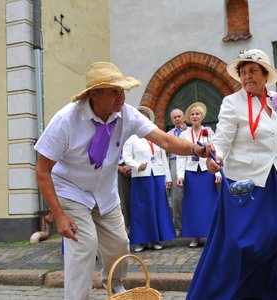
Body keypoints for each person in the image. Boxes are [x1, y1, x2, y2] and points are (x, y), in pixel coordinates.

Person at [34, 62, 211, 300]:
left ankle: (114, 285)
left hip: (105, 191)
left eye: (123, 90)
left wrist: (195, 149)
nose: (122, 96)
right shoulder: (67, 119)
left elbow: (165, 141)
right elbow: (43, 171)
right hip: (71, 190)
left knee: (119, 243)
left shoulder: (127, 113)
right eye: (115, 91)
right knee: (84, 245)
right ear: (95, 95)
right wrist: (59, 215)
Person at [186, 49, 277, 299]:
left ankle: (276, 293)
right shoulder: (232, 102)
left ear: (265, 75)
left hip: (276, 180)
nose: (246, 76)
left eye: (252, 71)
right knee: (242, 246)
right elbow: (222, 140)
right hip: (244, 184)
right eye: (242, 72)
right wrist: (215, 157)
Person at [123, 106, 176, 252]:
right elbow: (126, 157)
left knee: (158, 207)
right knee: (142, 209)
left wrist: (168, 177)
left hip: (157, 175)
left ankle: (156, 239)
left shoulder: (156, 136)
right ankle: (142, 241)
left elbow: (163, 157)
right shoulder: (132, 138)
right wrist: (137, 165)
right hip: (141, 178)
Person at [177, 102, 221, 248]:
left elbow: (215, 153)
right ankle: (195, 236)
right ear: (189, 117)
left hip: (206, 171)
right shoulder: (184, 134)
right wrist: (180, 176)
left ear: (202, 116)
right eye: (192, 114)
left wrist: (217, 173)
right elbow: (180, 156)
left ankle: (210, 234)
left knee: (209, 203)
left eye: (198, 114)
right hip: (191, 173)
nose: (195, 116)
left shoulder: (208, 131)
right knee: (193, 204)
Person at [167, 108, 188, 236]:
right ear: (172, 120)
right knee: (177, 196)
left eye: (179, 116)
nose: (177, 119)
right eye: (174, 117)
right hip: (175, 161)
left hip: (190, 161)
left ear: (184, 117)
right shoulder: (169, 134)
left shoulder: (191, 131)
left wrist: (186, 134)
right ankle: (178, 226)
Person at [117, 155, 132, 231]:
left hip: (134, 167)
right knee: (123, 200)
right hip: (117, 169)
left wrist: (130, 166)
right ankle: (126, 226)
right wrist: (118, 168)